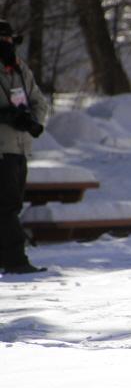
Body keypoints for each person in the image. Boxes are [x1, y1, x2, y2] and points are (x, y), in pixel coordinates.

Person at [0, 19, 48, 274]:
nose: (6, 45)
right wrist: (6, 116)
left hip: (19, 149)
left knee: (13, 206)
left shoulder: (20, 69)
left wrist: (32, 123)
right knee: (6, 208)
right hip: (1, 149)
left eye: (9, 40)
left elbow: (40, 102)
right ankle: (15, 260)